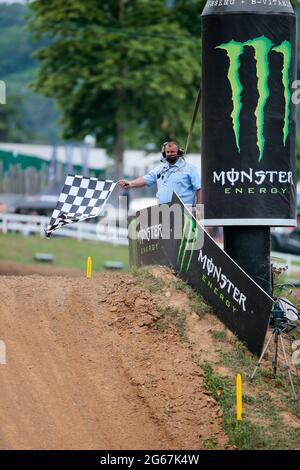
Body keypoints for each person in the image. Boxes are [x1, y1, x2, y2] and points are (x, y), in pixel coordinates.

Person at [118, 141, 201, 217]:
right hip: (163, 212)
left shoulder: (190, 168)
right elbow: (146, 179)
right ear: (164, 154)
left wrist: (198, 210)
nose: (170, 154)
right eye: (167, 152)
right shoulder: (160, 169)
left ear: (178, 152)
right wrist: (130, 183)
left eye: (172, 152)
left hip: (184, 213)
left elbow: (199, 189)